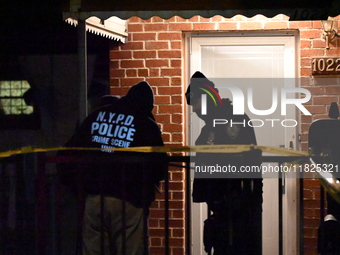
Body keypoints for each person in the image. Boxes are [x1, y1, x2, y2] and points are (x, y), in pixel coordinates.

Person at [57, 81, 167, 255]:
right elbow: (159, 167)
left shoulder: (98, 115)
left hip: (95, 198)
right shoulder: (145, 123)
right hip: (129, 199)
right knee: (131, 249)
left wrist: (77, 187)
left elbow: (67, 153)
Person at [185, 71, 262, 255]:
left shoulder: (232, 120)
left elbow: (242, 160)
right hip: (223, 204)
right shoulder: (211, 126)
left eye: (195, 103)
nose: (194, 109)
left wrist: (238, 197)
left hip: (237, 204)